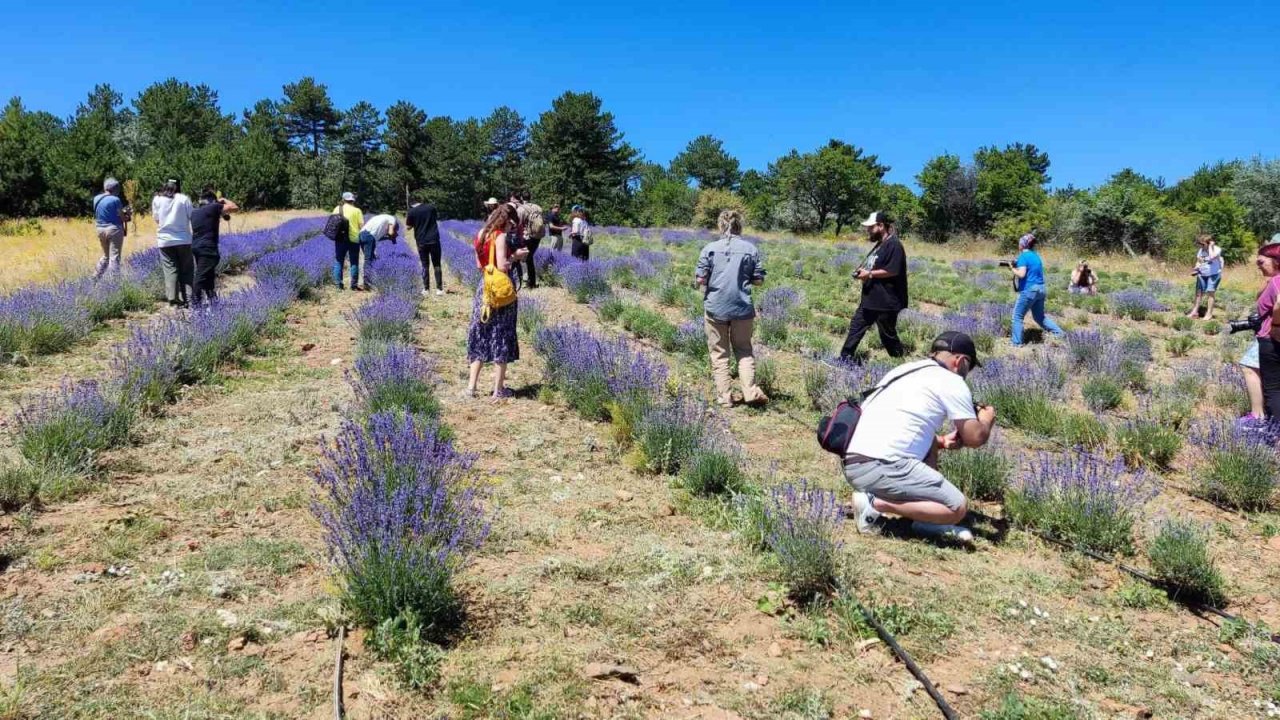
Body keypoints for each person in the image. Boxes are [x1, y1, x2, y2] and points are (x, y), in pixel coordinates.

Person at [845, 331, 997, 543]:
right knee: (956, 507)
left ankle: (923, 519)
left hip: (854, 465)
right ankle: (875, 504)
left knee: (932, 442)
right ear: (960, 361)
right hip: (883, 466)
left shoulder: (906, 369)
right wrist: (987, 419)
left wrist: (942, 442)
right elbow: (975, 438)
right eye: (969, 367)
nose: (967, 373)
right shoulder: (952, 381)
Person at [695, 209, 768, 408]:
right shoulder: (750, 249)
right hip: (742, 307)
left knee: (719, 353)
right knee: (744, 350)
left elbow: (701, 279)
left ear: (721, 225)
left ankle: (725, 398)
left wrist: (705, 281)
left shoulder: (709, 248)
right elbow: (759, 280)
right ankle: (750, 392)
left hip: (715, 307)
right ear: (739, 225)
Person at [464, 204, 528, 399]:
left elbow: (478, 264)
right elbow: (502, 265)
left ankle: (471, 387)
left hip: (484, 287)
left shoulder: (482, 233)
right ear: (506, 220)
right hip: (500, 291)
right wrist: (515, 256)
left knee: (480, 334)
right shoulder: (499, 236)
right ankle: (498, 390)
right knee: (501, 335)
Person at [839, 211, 907, 361]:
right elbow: (874, 266)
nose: (868, 230)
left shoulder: (894, 245)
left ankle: (899, 364)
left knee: (887, 336)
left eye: (871, 227)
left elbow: (893, 270)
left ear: (881, 226)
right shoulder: (880, 244)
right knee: (856, 327)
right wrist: (862, 272)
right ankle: (844, 358)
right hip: (871, 298)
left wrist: (869, 274)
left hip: (886, 301)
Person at [1008, 233, 1065, 346]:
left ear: (1022, 245)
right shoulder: (1035, 256)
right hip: (1041, 289)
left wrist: (1012, 268)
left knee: (1017, 316)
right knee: (1039, 317)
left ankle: (1016, 343)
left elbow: (1022, 274)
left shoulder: (1023, 256)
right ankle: (1059, 334)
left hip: (1029, 290)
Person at [189, 187, 239, 306]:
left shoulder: (194, 212)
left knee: (208, 277)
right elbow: (234, 207)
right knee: (201, 277)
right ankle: (195, 304)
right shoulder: (213, 207)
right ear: (212, 200)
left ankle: (214, 302)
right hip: (208, 248)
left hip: (196, 246)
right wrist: (222, 200)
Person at [152, 179, 194, 307]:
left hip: (165, 240)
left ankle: (173, 299)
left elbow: (157, 219)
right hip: (183, 239)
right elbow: (191, 215)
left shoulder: (157, 200)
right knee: (186, 270)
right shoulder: (184, 199)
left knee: (170, 269)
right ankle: (189, 298)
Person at [1252, 235, 1280, 419]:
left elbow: (1279, 305)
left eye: (1262, 261)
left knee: (1274, 389)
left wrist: (1276, 325)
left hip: (1272, 340)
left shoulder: (1278, 282)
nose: (1258, 265)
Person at [92, 177, 131, 279]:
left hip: (100, 229)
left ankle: (95, 277)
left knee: (106, 256)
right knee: (114, 257)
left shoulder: (96, 199)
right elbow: (122, 218)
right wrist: (128, 214)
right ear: (115, 189)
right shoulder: (116, 200)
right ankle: (114, 284)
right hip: (114, 230)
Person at [406, 196, 442, 296]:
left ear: (411, 203)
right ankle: (439, 289)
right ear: (420, 201)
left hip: (421, 241)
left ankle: (426, 289)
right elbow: (435, 218)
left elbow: (408, 227)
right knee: (437, 264)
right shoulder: (431, 207)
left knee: (424, 265)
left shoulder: (412, 211)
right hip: (434, 239)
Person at [357, 213, 398, 290]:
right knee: (368, 259)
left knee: (371, 258)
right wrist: (393, 237)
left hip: (361, 234)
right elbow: (391, 232)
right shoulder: (392, 220)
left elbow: (377, 238)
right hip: (369, 236)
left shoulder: (381, 217)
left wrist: (387, 238)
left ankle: (372, 279)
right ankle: (367, 283)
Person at [332, 192, 363, 290]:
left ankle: (338, 285)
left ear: (343, 199)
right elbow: (362, 226)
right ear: (352, 200)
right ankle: (353, 286)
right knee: (354, 262)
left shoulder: (337, 209)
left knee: (338, 261)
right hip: (354, 239)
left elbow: (333, 223)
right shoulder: (357, 210)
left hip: (340, 238)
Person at [1188, 234, 1223, 320]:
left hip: (1213, 275)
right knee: (1198, 293)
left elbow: (1211, 257)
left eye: (1203, 244)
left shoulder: (1217, 249)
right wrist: (1196, 268)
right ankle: (1194, 312)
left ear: (1209, 243)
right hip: (1202, 274)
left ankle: (1209, 313)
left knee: (1210, 293)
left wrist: (1211, 247)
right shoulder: (1201, 250)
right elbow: (1199, 261)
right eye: (1200, 244)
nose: (1201, 246)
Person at [515, 191, 546, 288]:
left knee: (523, 258)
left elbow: (518, 224)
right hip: (537, 236)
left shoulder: (521, 209)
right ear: (530, 197)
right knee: (529, 258)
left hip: (527, 236)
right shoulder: (538, 207)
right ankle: (532, 282)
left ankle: (524, 280)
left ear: (521, 197)